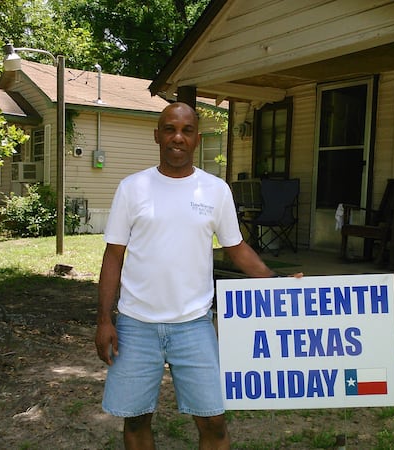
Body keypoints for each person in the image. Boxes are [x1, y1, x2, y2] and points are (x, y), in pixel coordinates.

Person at [95, 102, 300, 449]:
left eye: (186, 131)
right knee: (137, 419)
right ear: (157, 134)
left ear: (197, 138)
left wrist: (275, 282)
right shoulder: (133, 187)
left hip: (194, 324)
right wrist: (104, 319)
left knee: (214, 422)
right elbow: (113, 254)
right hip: (136, 323)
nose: (178, 137)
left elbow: (236, 248)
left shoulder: (216, 190)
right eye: (170, 129)